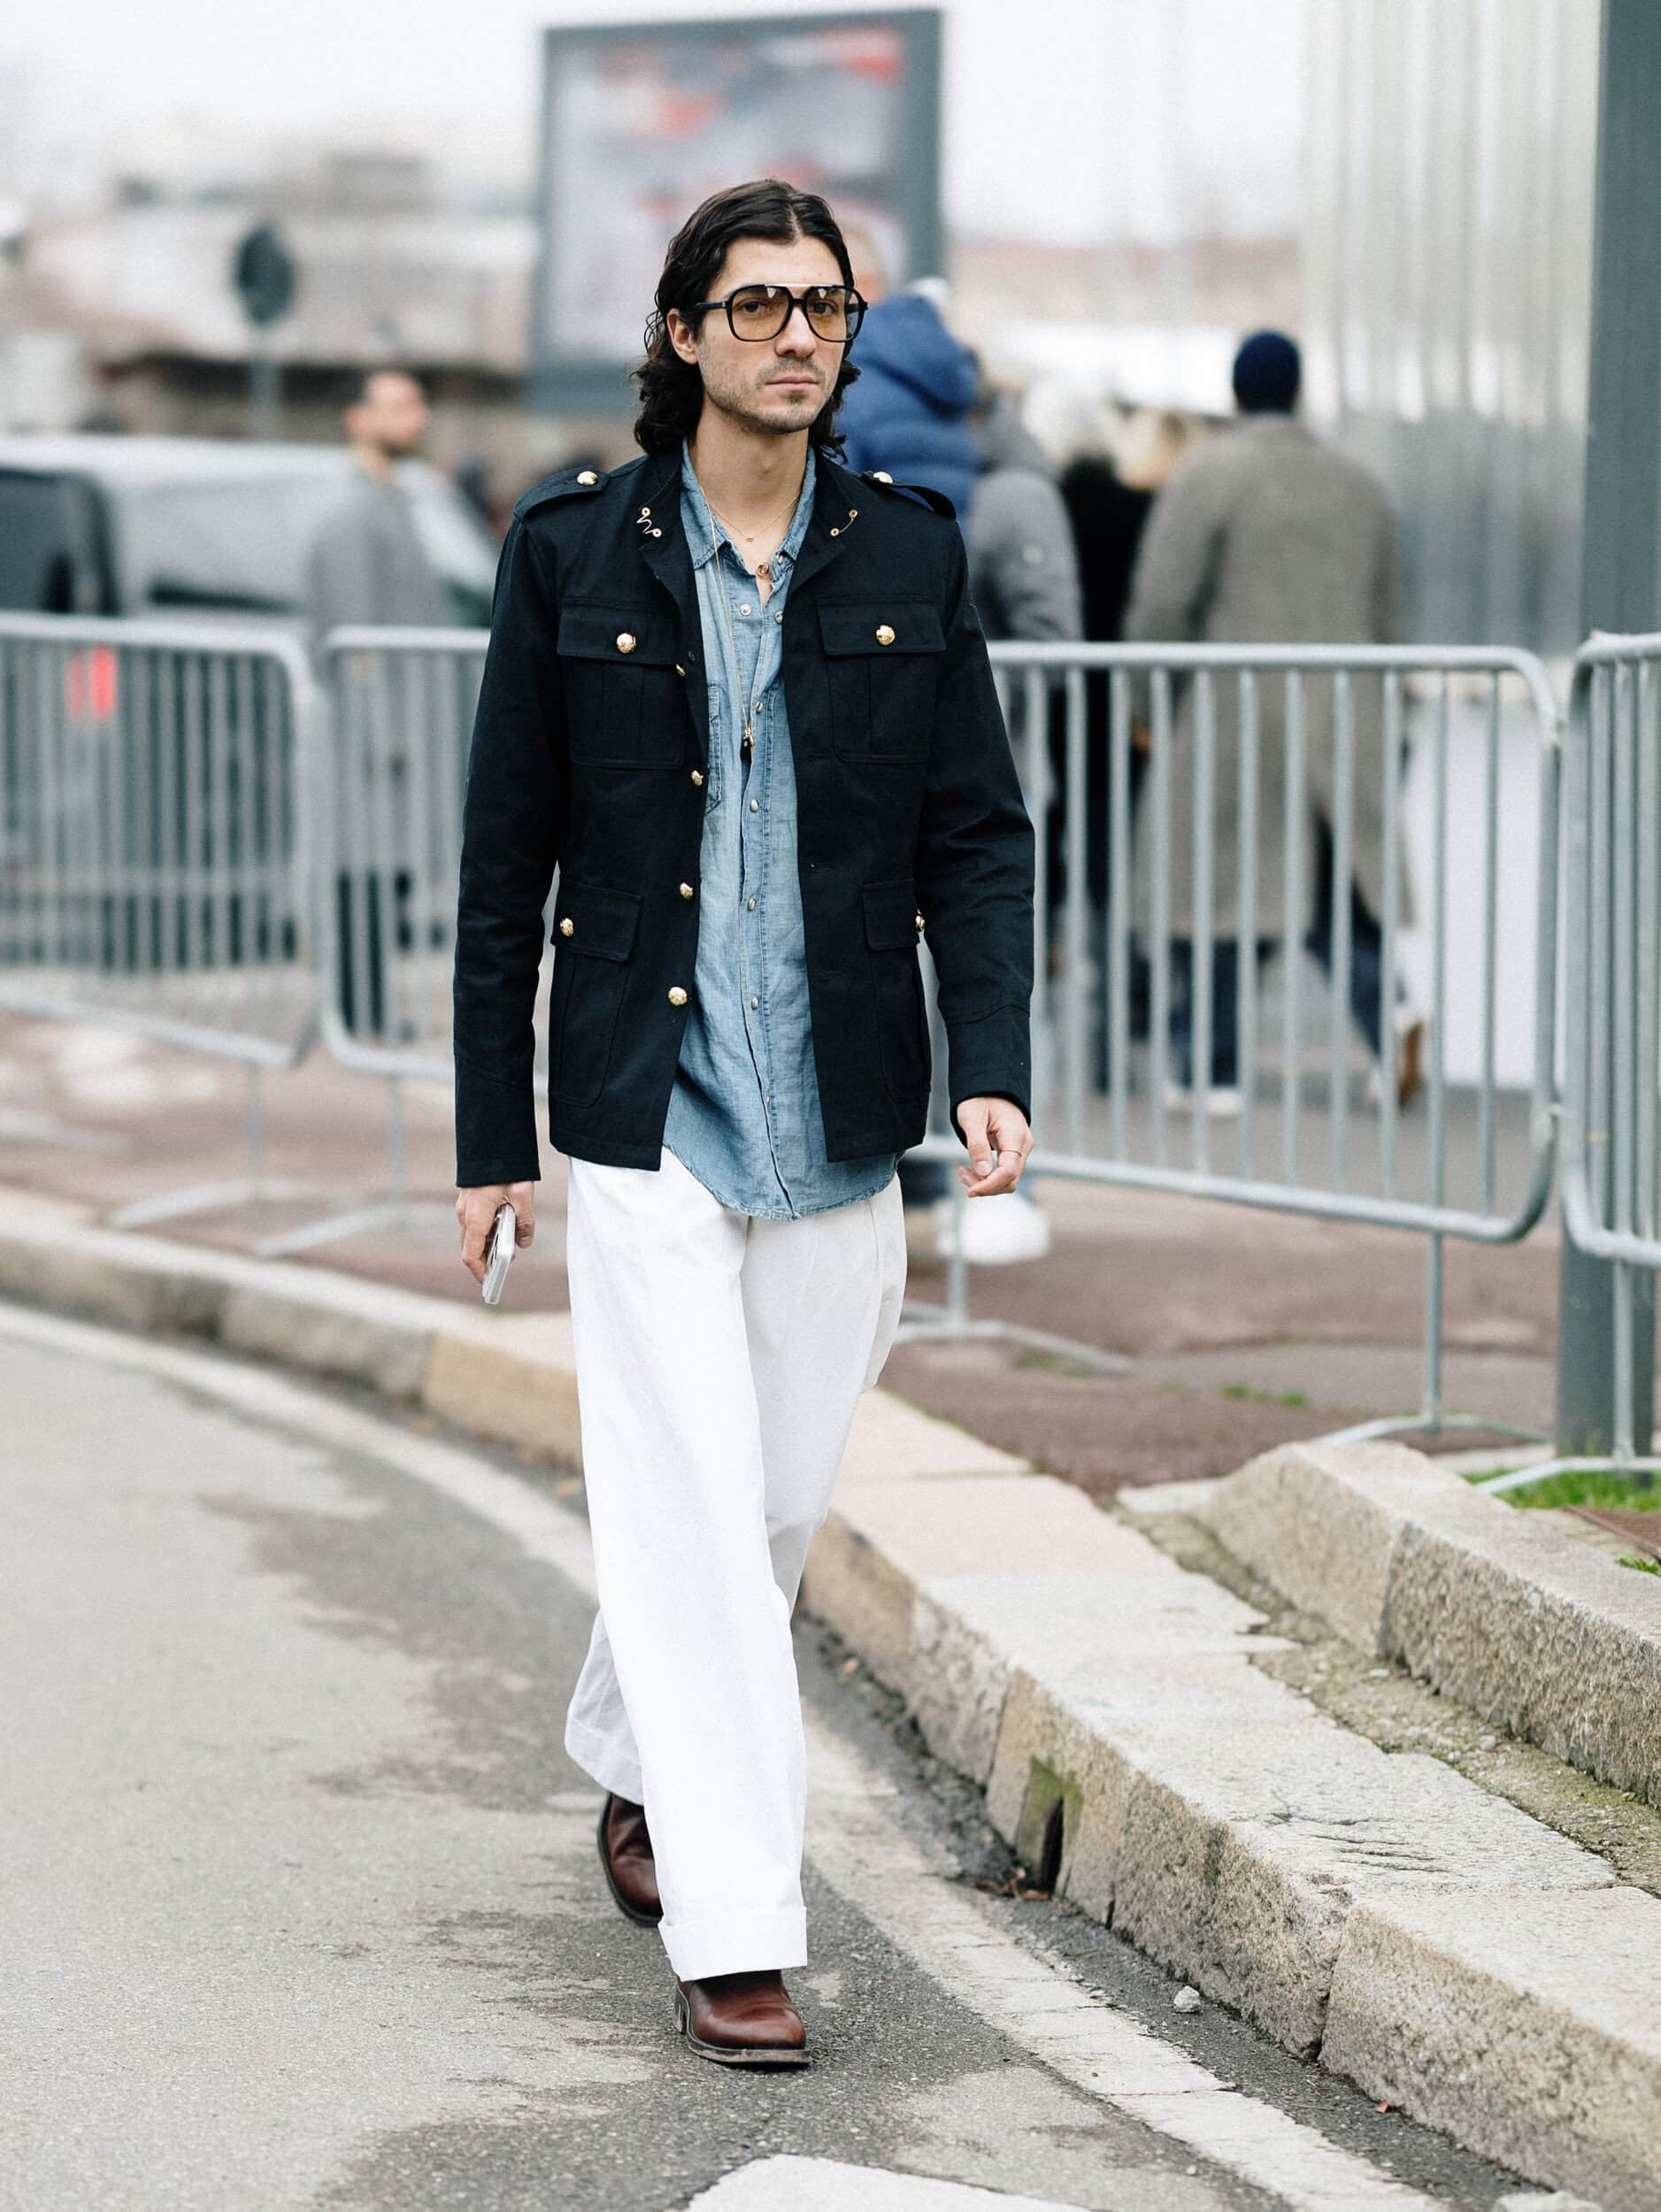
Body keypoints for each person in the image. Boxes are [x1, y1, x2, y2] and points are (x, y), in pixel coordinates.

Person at [450, 180, 1034, 2068]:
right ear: (683, 332)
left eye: (825, 306)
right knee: (690, 1505)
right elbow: (501, 867)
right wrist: (490, 1135)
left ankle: (637, 1754)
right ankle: (736, 1926)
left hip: (841, 1106)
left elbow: (974, 833)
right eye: (760, 303)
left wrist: (989, 1057)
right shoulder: (571, 553)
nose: (798, 333)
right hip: (643, 1110)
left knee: (766, 1506)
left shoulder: (910, 553)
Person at [1124, 331, 1417, 1110]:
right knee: (1326, 893)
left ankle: (1207, 1067)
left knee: (1224, 894)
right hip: (1344, 714)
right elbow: (1389, 613)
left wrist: (1145, 703)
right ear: (1297, 391)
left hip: (1237, 717)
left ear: (1235, 393)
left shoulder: (1208, 474)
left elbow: (1161, 603)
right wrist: (1394, 717)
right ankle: (1388, 1013)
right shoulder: (1358, 484)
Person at [834, 259, 980, 1221]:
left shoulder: (860, 385)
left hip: (860, 653)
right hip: (938, 637)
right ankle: (960, 1153)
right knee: (945, 909)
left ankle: (898, 1152)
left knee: (861, 914)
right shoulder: (955, 388)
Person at [950, 384, 1083, 1264]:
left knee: (991, 966)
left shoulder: (1009, 494)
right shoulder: (1011, 489)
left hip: (991, 770)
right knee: (984, 969)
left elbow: (1048, 637)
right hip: (981, 768)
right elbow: (1051, 634)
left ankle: (997, 1179)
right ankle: (970, 1183)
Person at [306, 368, 457, 1036]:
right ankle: (357, 1015)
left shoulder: (396, 500)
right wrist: (382, 737)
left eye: (417, 404)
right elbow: (354, 640)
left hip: (400, 726)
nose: (416, 418)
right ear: (358, 420)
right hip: (375, 734)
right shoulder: (353, 513)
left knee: (385, 870)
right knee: (365, 868)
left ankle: (363, 1013)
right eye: (398, 406)